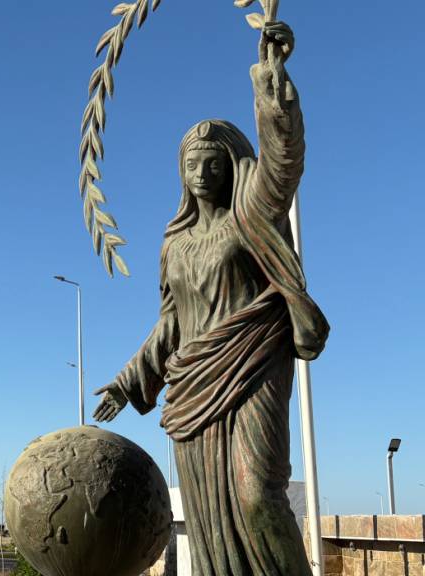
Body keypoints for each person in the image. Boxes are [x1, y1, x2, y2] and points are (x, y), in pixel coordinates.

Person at [93, 20, 328, 576]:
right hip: (193, 381)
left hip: (253, 363)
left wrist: (270, 85)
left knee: (256, 495)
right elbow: (170, 324)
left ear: (231, 166)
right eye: (191, 164)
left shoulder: (251, 216)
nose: (201, 173)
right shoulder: (174, 243)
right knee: (206, 516)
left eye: (213, 163)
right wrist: (128, 381)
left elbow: (283, 163)